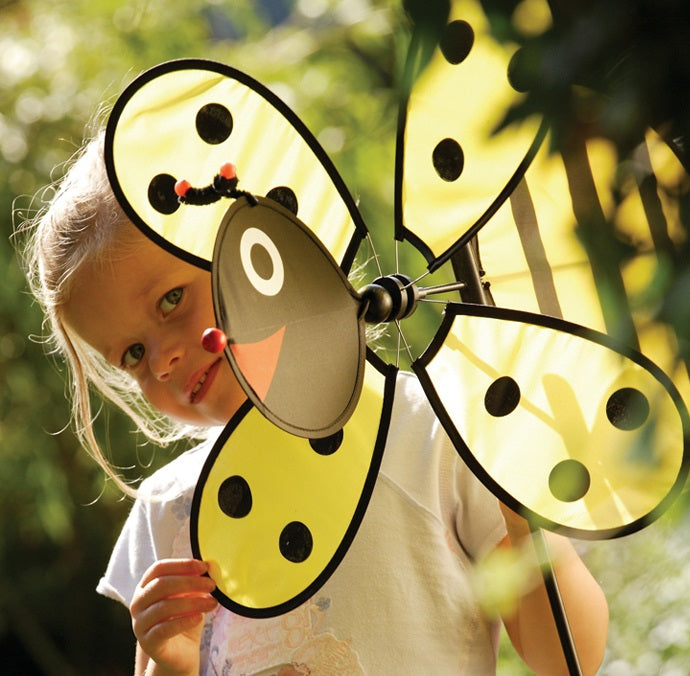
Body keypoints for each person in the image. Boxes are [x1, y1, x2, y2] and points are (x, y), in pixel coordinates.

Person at [19, 131, 609, 676]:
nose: (163, 362)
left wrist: (523, 518)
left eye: (172, 299)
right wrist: (172, 662)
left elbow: (568, 657)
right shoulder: (169, 513)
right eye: (132, 354)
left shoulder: (431, 432)